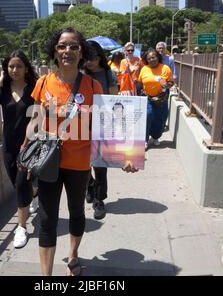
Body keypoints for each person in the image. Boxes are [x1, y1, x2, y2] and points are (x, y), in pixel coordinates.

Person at [24, 27, 137, 276]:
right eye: (62, 46)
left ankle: (73, 256)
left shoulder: (93, 86)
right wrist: (27, 154)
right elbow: (34, 121)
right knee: (47, 219)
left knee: (76, 212)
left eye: (74, 46)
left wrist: (126, 155)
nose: (68, 51)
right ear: (54, 51)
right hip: (48, 162)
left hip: (80, 163)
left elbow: (109, 126)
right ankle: (46, 276)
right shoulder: (43, 83)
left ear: (81, 52)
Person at [0, 50, 39, 249]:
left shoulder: (34, 88)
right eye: (11, 66)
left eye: (19, 66)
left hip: (30, 144)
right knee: (18, 183)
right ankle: (35, 195)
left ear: (26, 68)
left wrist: (31, 141)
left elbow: (39, 116)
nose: (14, 70)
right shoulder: (3, 90)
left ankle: (21, 228)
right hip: (9, 145)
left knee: (21, 185)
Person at [83, 40, 119, 220]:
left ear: (99, 57)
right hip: (80, 125)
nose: (90, 61)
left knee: (100, 166)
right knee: (83, 164)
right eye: (87, 57)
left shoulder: (108, 74)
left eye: (93, 57)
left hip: (103, 124)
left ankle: (99, 200)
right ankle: (89, 185)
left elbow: (114, 99)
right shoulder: (79, 74)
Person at [139, 49, 173, 147]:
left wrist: (166, 85)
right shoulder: (144, 68)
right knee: (148, 116)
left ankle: (155, 137)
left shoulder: (165, 68)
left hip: (161, 99)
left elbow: (171, 83)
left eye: (153, 57)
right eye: (149, 58)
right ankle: (144, 140)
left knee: (161, 119)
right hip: (148, 98)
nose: (151, 60)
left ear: (158, 57)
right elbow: (140, 82)